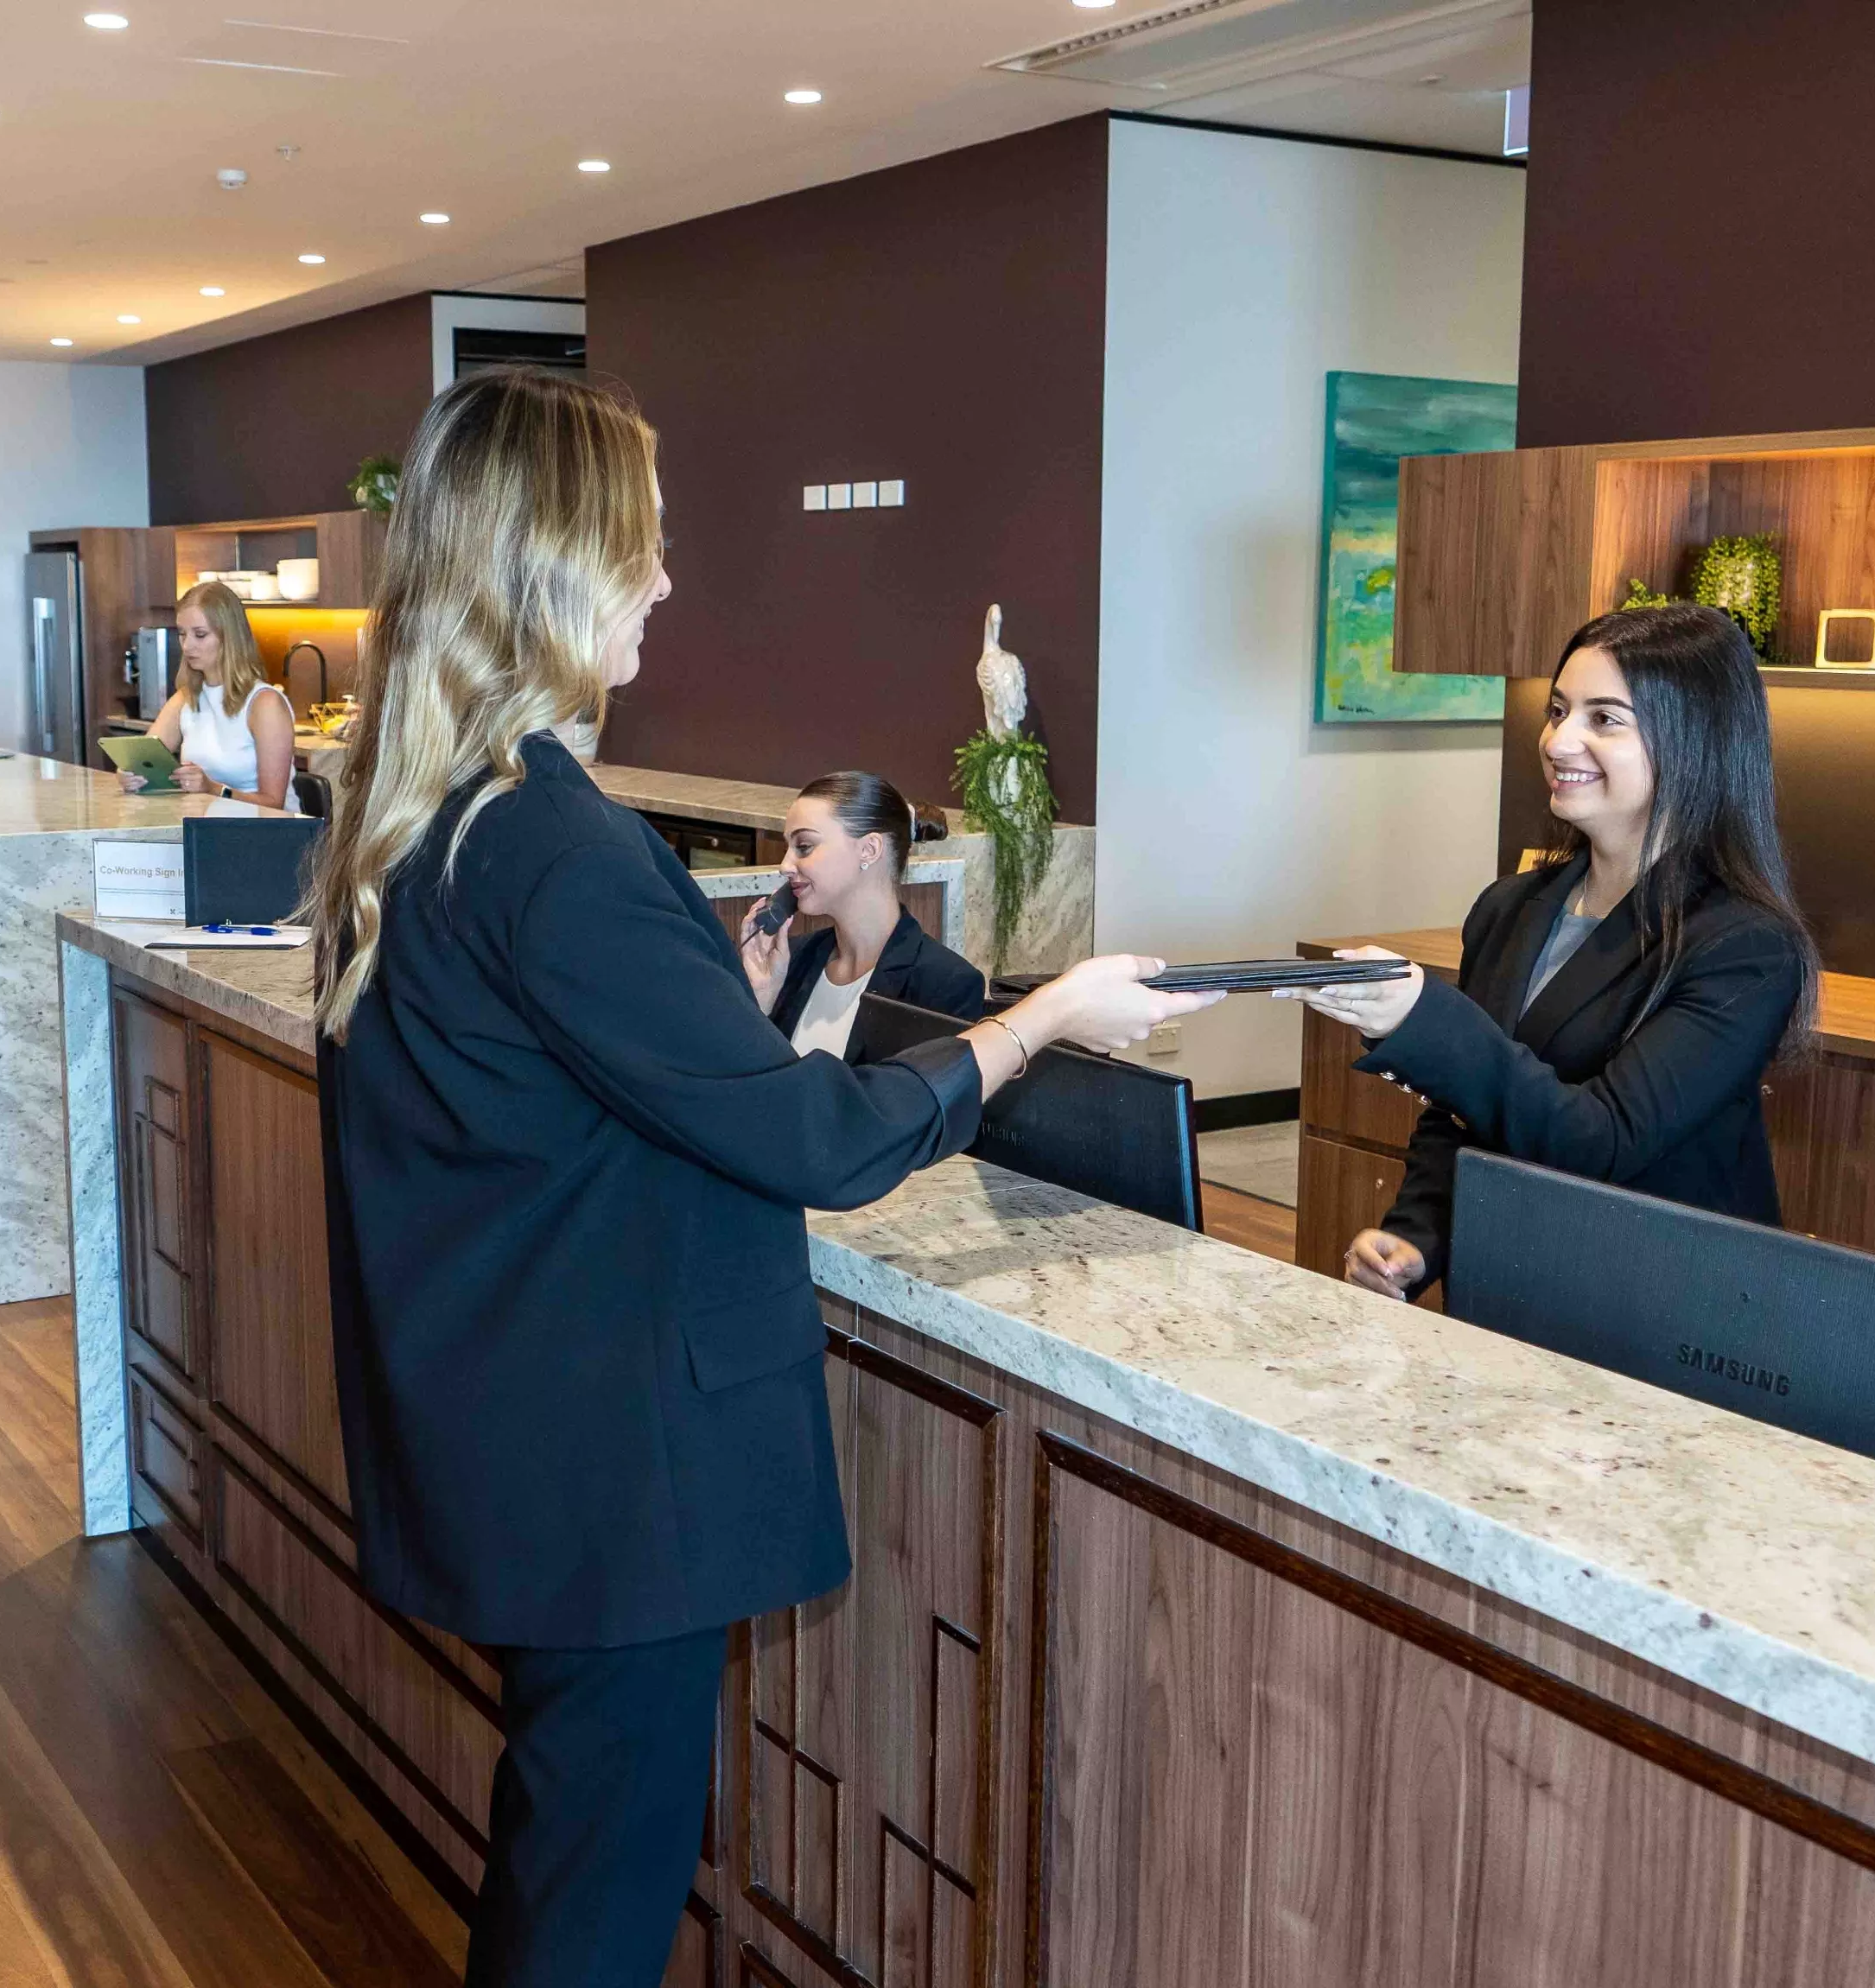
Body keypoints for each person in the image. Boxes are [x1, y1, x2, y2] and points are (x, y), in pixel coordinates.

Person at [299, 367, 1218, 1988]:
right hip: (602, 1479)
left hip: (506, 1442)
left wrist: (690, 1014)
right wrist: (1045, 1018)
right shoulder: (560, 846)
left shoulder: (426, 811)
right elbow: (821, 1142)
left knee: (565, 1853)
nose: (667, 577)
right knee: (590, 1900)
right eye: (643, 545)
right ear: (555, 567)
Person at [1288, 602, 1816, 1303]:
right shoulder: (1507, 908)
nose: (1559, 740)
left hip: (1667, 1319)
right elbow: (1462, 1115)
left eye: (1604, 719)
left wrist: (1423, 1017)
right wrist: (1416, 1237)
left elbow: (1598, 1142)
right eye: (1559, 710)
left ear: (1694, 740)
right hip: (1512, 1293)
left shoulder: (1745, 947)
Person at [744, 770, 984, 1058]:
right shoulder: (790, 962)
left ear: (869, 849)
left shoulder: (945, 985)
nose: (785, 865)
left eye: (804, 846)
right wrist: (759, 1004)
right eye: (788, 847)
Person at [116, 579, 296, 808]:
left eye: (200, 635)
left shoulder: (265, 704)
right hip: (209, 827)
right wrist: (129, 774)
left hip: (268, 834)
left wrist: (213, 789)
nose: (187, 646)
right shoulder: (186, 698)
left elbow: (273, 805)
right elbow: (141, 759)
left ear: (229, 638)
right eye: (182, 634)